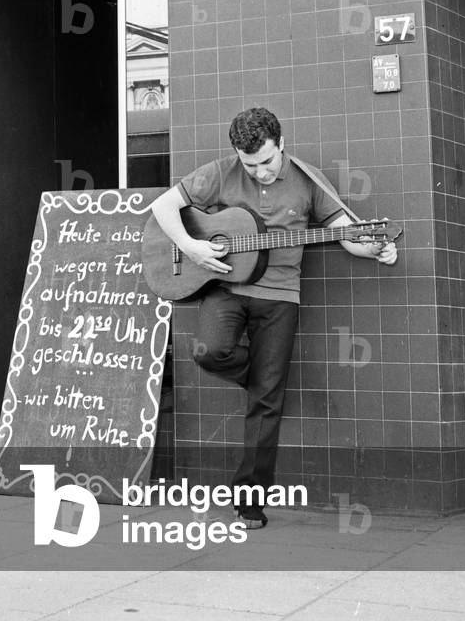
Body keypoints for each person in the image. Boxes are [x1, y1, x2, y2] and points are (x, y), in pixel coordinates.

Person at [149, 107, 397, 529]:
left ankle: (249, 503)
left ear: (281, 144)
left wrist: (375, 248)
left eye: (267, 161)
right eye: (251, 165)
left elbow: (346, 234)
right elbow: (163, 206)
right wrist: (191, 247)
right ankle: (264, 381)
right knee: (209, 352)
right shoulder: (220, 172)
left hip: (281, 296)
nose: (260, 172)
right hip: (226, 289)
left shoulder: (309, 179)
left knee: (264, 406)